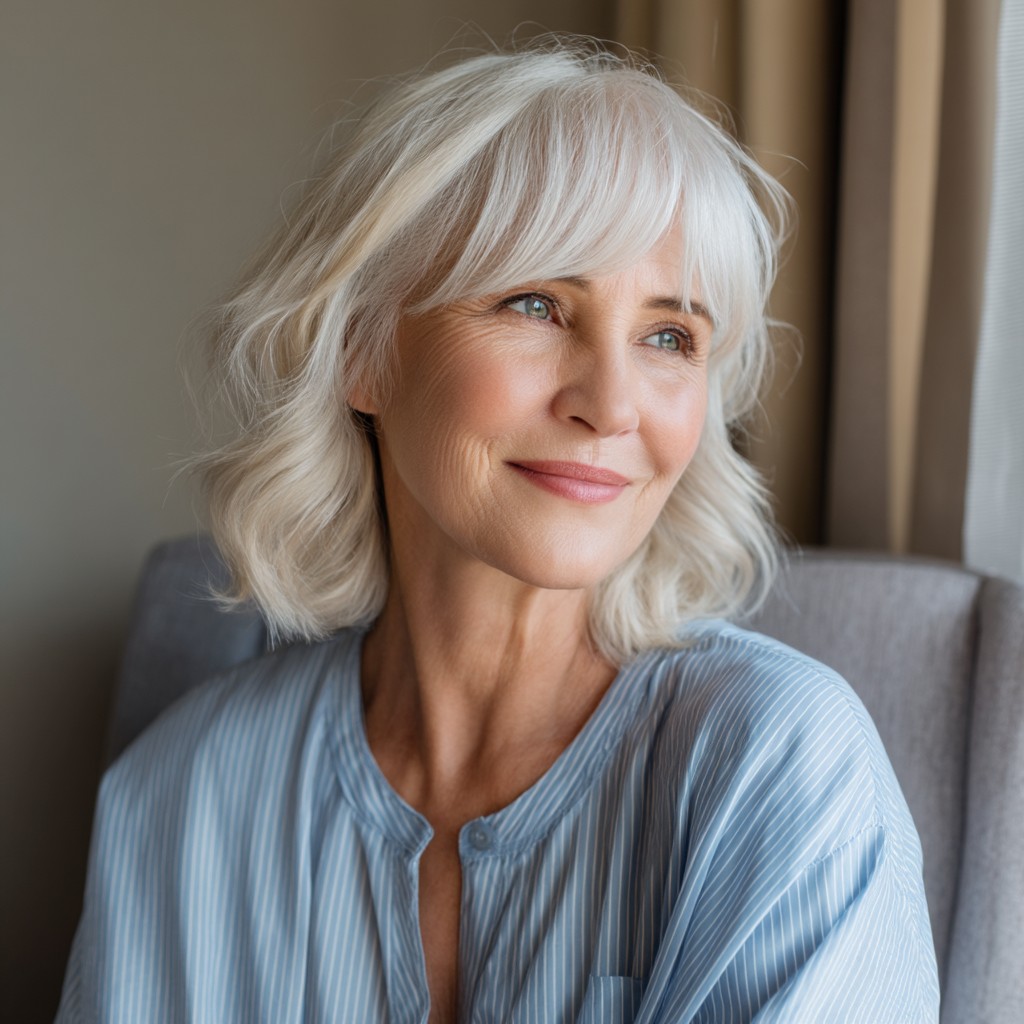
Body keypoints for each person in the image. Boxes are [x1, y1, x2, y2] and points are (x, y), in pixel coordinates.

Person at [56, 39, 940, 1023]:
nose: (611, 404)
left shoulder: (780, 764)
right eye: (535, 303)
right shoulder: (178, 796)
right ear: (363, 349)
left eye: (668, 336)